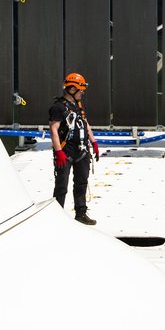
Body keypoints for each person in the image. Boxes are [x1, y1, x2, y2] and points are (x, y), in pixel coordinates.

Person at [49, 72, 99, 225]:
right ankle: (57, 216)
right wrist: (58, 151)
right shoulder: (58, 107)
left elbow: (85, 123)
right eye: (80, 89)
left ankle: (81, 213)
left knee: (81, 182)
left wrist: (94, 142)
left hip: (81, 151)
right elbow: (54, 130)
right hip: (66, 152)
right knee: (61, 185)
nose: (82, 92)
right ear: (72, 89)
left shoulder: (78, 105)